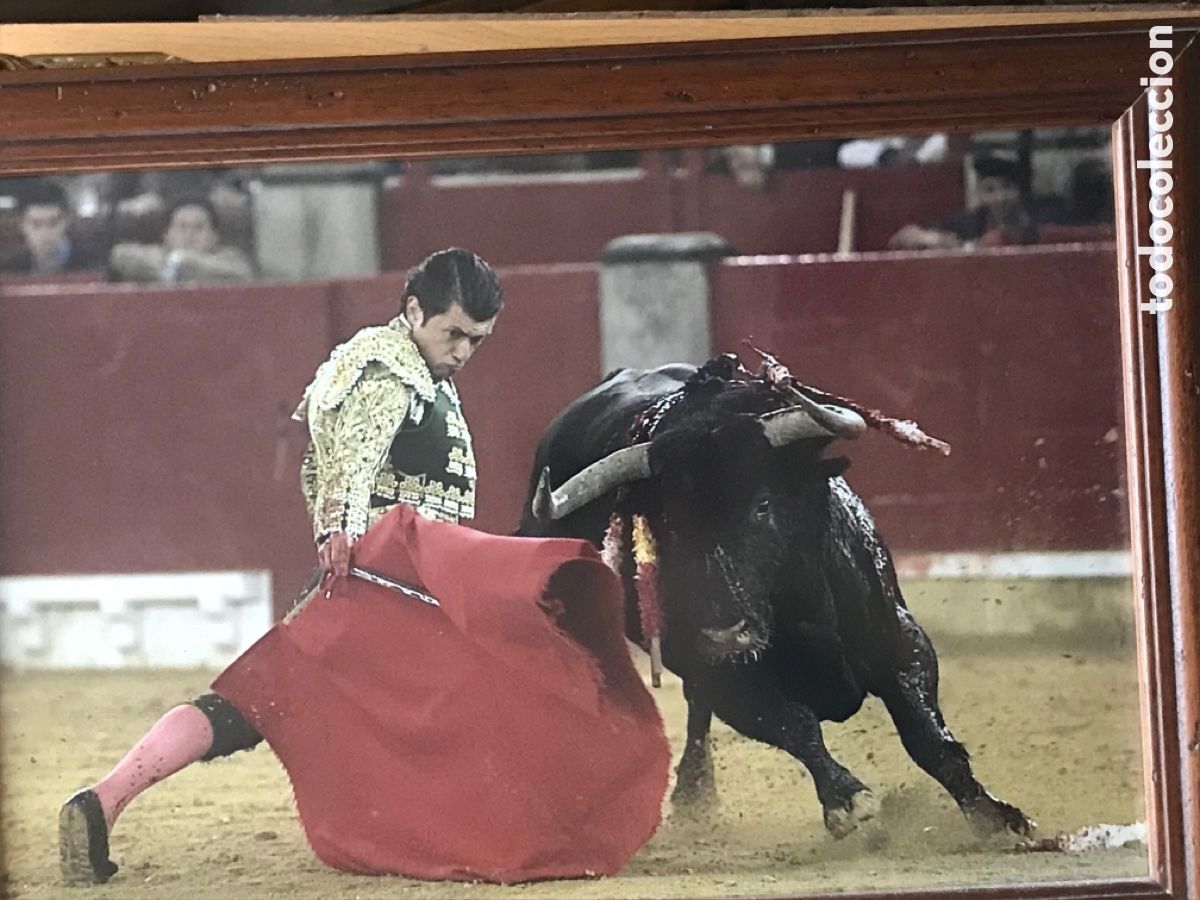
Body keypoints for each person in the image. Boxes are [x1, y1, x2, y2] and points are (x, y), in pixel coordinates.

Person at [58, 248, 503, 885]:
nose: (462, 351)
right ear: (413, 311)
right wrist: (340, 538)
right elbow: (349, 465)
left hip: (383, 587)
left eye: (475, 340)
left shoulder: (419, 372)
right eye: (452, 332)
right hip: (382, 591)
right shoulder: (389, 375)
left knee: (249, 707)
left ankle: (101, 803)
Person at [888, 154, 1034, 251]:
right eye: (990, 190)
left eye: (1007, 188)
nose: (1000, 197)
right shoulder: (967, 223)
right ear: (980, 194)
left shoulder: (1039, 219)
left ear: (1020, 192)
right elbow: (902, 239)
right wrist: (935, 239)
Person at [108, 197, 255, 283]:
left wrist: (181, 262)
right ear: (166, 235)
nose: (190, 234)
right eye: (182, 227)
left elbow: (241, 274)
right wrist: (173, 261)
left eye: (199, 227)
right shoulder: (156, 255)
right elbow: (119, 255)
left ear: (215, 236)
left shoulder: (231, 260)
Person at [0, 179, 105, 275]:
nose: (45, 233)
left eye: (53, 223)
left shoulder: (93, 267)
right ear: (22, 225)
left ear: (67, 221)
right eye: (36, 224)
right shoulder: (9, 271)